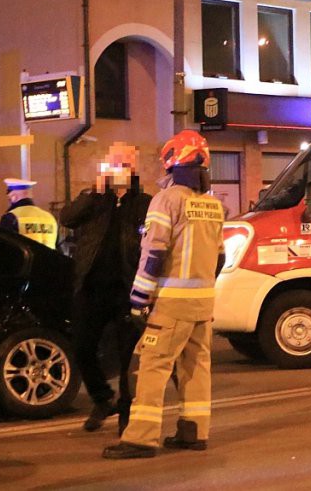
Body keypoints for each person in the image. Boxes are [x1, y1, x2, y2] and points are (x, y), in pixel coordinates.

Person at [103, 130, 225, 459]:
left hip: (171, 304)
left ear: (174, 162)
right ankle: (194, 432)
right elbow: (220, 257)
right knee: (196, 367)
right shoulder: (213, 205)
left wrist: (139, 300)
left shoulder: (167, 200)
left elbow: (154, 254)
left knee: (151, 367)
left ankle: (141, 438)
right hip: (203, 303)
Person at [59, 142, 151, 434]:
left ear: (133, 168)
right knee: (82, 346)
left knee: (127, 356)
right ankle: (101, 397)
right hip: (91, 288)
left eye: (125, 163)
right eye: (114, 162)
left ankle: (126, 412)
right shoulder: (95, 199)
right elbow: (68, 218)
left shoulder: (145, 202)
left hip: (127, 289)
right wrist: (96, 188)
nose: (119, 168)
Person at [0, 178, 58, 248]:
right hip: (48, 258)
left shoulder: (11, 217)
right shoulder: (49, 217)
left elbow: (3, 246)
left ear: (14, 197)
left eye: (9, 198)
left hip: (27, 259)